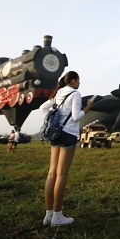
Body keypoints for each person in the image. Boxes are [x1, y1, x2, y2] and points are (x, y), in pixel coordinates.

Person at [40, 71, 96, 227]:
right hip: (68, 134)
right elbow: (77, 116)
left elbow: (43, 108)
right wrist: (88, 108)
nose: (79, 83)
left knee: (52, 173)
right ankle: (57, 216)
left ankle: (48, 214)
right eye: (79, 80)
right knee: (61, 174)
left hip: (55, 134)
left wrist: (52, 121)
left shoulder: (59, 93)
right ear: (73, 80)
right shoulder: (75, 94)